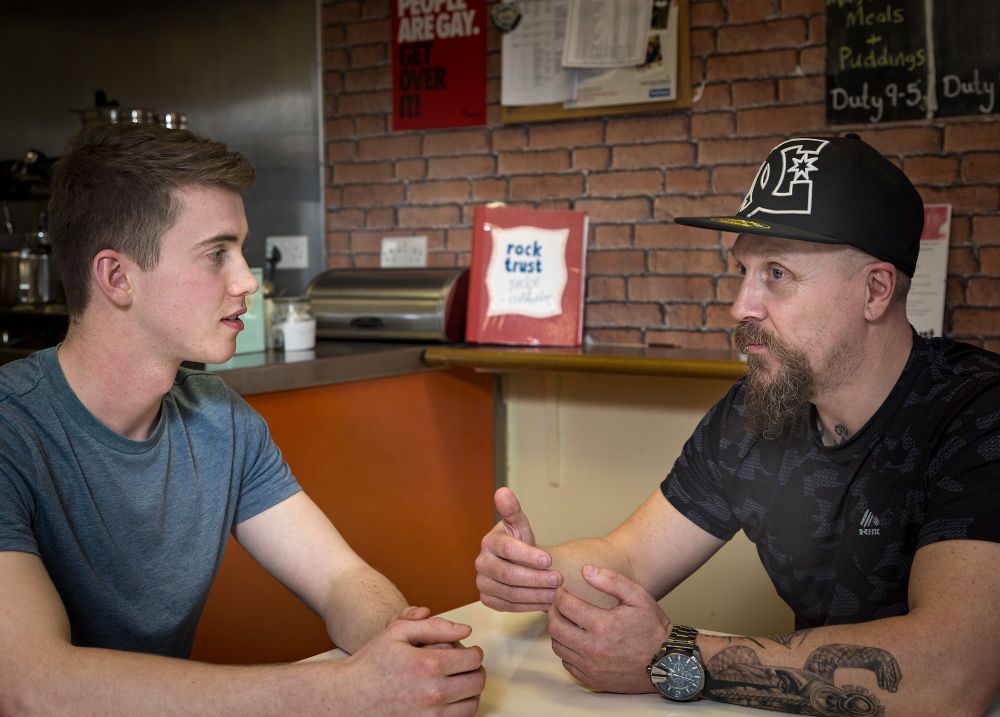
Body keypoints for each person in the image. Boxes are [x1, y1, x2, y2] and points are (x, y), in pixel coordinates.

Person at [476, 134, 1000, 716]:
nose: (741, 305)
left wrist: (675, 657)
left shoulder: (978, 414)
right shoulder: (758, 410)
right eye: (743, 270)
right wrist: (535, 573)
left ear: (874, 291)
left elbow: (954, 673)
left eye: (776, 272)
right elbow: (629, 558)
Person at [0, 122, 484, 715]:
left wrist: (402, 645)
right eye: (216, 254)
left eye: (241, 251)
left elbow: (339, 579)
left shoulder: (219, 418)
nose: (247, 280)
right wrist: (345, 691)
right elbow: (29, 684)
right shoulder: (10, 432)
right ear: (117, 277)